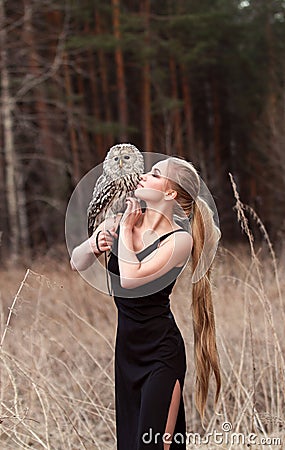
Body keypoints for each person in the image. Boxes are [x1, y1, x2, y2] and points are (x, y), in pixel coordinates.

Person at [70, 156, 221, 450]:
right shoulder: (123, 220)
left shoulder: (179, 240)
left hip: (160, 355)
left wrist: (124, 230)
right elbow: (77, 263)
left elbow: (130, 279)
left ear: (170, 193)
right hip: (126, 351)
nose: (142, 175)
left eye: (154, 174)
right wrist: (95, 241)